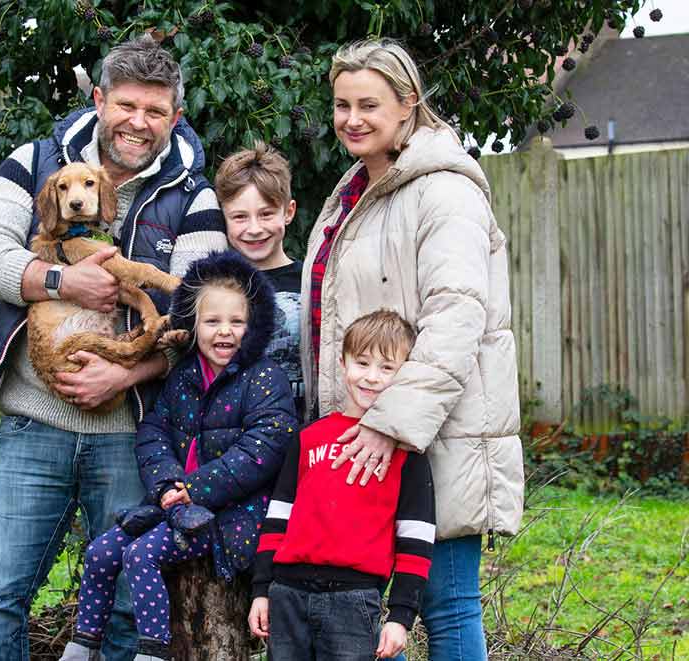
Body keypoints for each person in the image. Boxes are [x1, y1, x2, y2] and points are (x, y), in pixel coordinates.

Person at [0, 34, 228, 661]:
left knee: (128, 615)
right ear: (100, 99)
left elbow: (204, 312)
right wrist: (61, 279)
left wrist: (128, 377)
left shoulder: (197, 196)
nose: (139, 122)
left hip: (130, 433)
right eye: (127, 105)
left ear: (175, 118)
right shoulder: (33, 162)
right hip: (33, 423)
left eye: (155, 111)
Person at [299, 38, 524, 660]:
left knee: (446, 604)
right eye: (342, 105)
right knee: (361, 609)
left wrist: (391, 423)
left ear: (407, 106)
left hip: (434, 435)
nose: (352, 119)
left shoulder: (443, 191)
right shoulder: (355, 190)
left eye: (368, 104)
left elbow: (457, 315)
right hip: (365, 439)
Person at [58, 250, 297, 661]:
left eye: (237, 322)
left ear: (253, 326)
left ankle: (152, 651)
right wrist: (168, 483)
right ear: (193, 324)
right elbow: (153, 431)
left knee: (141, 554)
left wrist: (193, 488)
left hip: (228, 515)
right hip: (173, 504)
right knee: (100, 552)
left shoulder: (265, 378)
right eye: (213, 321)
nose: (225, 332)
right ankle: (83, 646)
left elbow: (264, 449)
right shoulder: (183, 375)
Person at [249, 310, 435, 660]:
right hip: (287, 592)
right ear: (343, 363)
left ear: (404, 376)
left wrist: (400, 616)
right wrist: (262, 590)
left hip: (354, 599)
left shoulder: (407, 454)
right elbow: (277, 518)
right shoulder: (308, 437)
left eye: (387, 368)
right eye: (362, 363)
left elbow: (416, 539)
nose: (371, 377)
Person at [214, 143, 306, 419]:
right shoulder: (215, 286)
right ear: (224, 220)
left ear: (288, 212)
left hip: (299, 430)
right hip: (230, 428)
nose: (254, 229)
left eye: (266, 214)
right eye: (240, 217)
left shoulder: (313, 282)